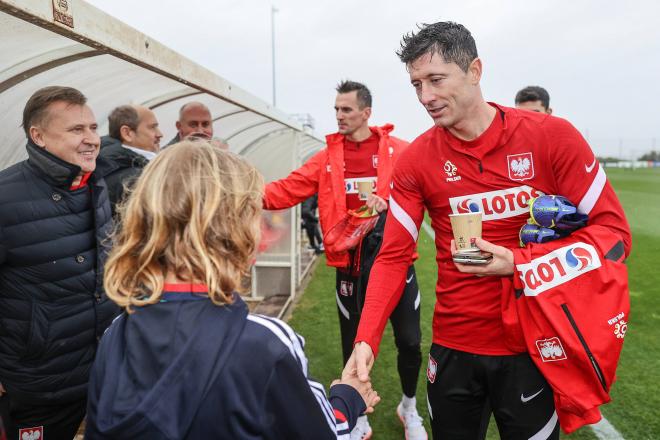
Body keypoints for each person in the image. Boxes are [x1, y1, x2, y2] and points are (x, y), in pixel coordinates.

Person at [345, 22, 631, 439]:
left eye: (436, 80)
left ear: (475, 70)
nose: (426, 97)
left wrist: (519, 263)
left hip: (533, 344)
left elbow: (615, 237)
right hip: (454, 346)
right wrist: (366, 338)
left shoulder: (552, 138)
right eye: (416, 85)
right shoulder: (416, 161)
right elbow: (392, 255)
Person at [85, 142, 379, 439]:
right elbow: (324, 432)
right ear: (233, 227)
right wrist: (348, 396)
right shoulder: (266, 343)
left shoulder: (115, 335)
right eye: (254, 212)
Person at [263, 80, 426, 440]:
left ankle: (409, 407)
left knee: (410, 342)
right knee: (354, 343)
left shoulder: (399, 151)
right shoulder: (326, 158)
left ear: (366, 112)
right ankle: (358, 416)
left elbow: (427, 191)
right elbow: (284, 190)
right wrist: (234, 192)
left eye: (346, 109)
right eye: (336, 109)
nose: (339, 115)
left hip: (394, 262)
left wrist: (391, 207)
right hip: (350, 268)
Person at [0, 86, 117, 439]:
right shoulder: (6, 197)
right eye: (76, 130)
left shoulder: (96, 186)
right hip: (39, 381)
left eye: (94, 128)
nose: (92, 139)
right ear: (38, 136)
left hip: (98, 369)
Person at [97, 104, 163, 214]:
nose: (160, 134)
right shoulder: (134, 179)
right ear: (127, 133)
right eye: (152, 127)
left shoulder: (115, 165)